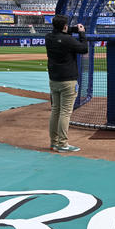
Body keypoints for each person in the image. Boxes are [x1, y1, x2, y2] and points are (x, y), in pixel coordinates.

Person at [45, 15, 87, 152]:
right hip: (68, 80)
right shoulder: (68, 40)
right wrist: (82, 33)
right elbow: (84, 48)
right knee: (65, 112)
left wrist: (68, 30)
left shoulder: (48, 37)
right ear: (64, 26)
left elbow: (60, 35)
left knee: (55, 110)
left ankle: (54, 142)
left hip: (54, 79)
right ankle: (62, 144)